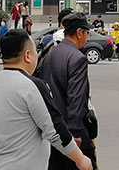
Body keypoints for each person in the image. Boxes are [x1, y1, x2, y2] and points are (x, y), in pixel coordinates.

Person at [0, 29, 93, 170]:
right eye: (35, 52)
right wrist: (80, 159)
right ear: (27, 56)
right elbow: (55, 130)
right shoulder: (33, 86)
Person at [38, 12, 97, 170]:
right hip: (70, 130)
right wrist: (75, 132)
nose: (87, 36)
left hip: (51, 129)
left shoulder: (50, 54)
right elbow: (75, 97)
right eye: (87, 32)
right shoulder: (77, 58)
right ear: (79, 33)